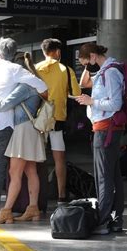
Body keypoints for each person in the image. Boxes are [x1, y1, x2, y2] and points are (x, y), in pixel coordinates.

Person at [0, 37, 47, 220]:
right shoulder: (16, 72)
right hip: (6, 125)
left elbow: (3, 100)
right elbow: (42, 87)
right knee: (8, 170)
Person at [76, 43, 124, 235]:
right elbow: (83, 83)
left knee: (104, 177)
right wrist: (88, 67)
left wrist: (91, 101)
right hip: (106, 128)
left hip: (105, 130)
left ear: (94, 56)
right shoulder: (105, 71)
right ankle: (116, 218)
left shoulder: (110, 73)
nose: (86, 67)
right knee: (113, 176)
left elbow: (116, 103)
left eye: (86, 62)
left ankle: (103, 220)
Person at [35, 38, 81, 204]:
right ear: (57, 52)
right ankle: (62, 195)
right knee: (59, 158)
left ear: (44, 52)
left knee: (37, 159)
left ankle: (38, 197)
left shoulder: (36, 68)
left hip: (38, 120)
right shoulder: (66, 70)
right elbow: (76, 93)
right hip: (57, 120)